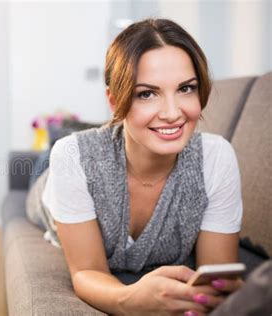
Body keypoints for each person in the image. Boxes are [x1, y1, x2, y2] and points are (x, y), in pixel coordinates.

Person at [41, 18, 244, 315]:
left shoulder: (216, 159)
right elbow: (86, 271)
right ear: (114, 100)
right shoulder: (72, 157)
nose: (173, 113)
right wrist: (129, 300)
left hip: (113, 143)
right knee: (54, 156)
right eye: (147, 93)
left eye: (186, 89)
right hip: (51, 183)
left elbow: (215, 279)